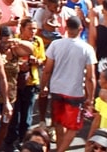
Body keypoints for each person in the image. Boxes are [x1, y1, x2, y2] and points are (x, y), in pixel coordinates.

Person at [40, 15, 97, 152]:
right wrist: (91, 97)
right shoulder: (87, 49)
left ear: (65, 28)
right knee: (73, 128)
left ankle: (60, 149)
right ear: (81, 29)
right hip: (74, 93)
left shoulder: (55, 44)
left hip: (56, 90)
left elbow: (47, 70)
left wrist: (43, 87)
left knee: (58, 124)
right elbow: (91, 77)